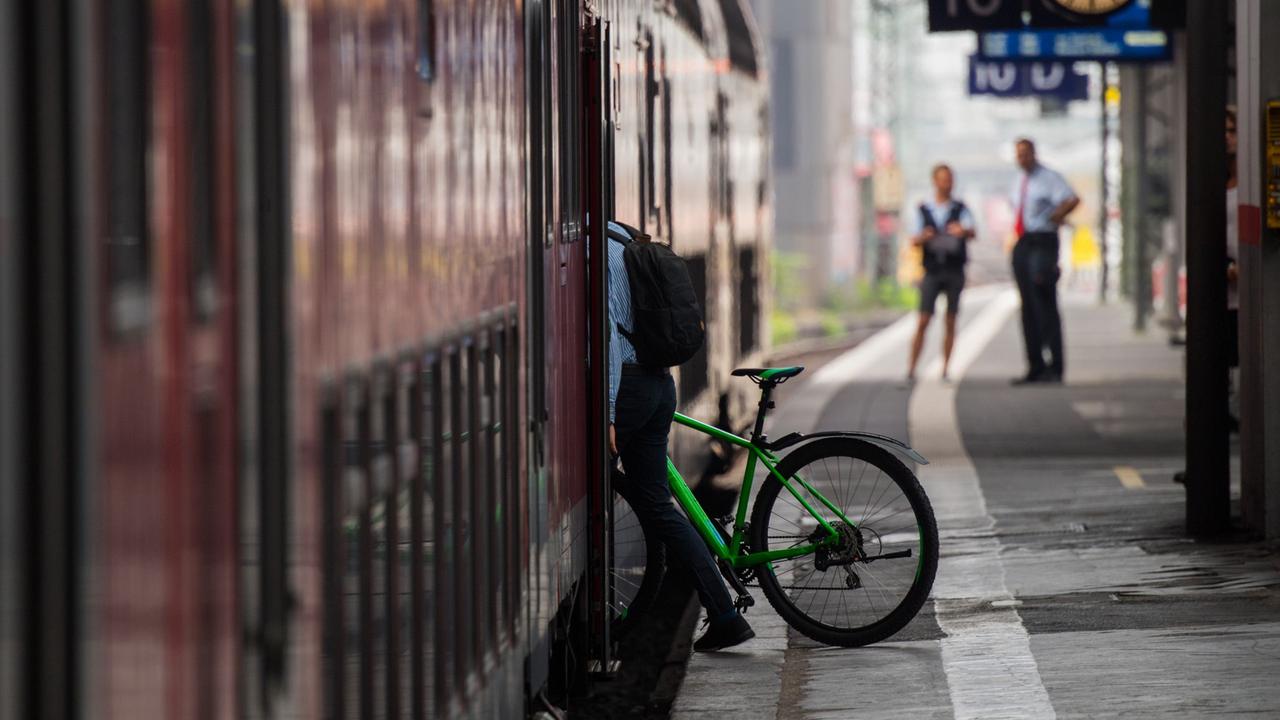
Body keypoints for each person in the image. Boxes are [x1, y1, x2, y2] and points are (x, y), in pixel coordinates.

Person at [606, 220, 754, 652]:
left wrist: (610, 412)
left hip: (628, 388)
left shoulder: (592, 251)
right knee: (657, 504)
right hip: (658, 384)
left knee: (597, 494)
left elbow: (610, 338)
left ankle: (597, 603)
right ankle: (725, 614)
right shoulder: (628, 238)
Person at [1009, 138, 1079, 384]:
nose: (1022, 158)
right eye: (1018, 154)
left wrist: (1055, 216)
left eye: (1026, 154)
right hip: (1024, 241)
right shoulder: (1019, 180)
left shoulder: (1049, 177)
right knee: (1027, 306)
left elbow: (1071, 198)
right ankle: (1035, 365)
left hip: (1043, 241)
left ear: (1034, 154)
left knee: (1044, 302)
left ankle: (1055, 367)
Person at [907, 164, 977, 383]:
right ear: (935, 181)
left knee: (951, 319)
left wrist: (962, 231)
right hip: (932, 270)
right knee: (923, 319)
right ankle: (911, 368)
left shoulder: (961, 208)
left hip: (954, 269)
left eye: (950, 179)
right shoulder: (923, 208)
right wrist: (925, 236)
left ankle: (946, 368)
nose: (947, 184)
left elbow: (972, 231)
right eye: (943, 179)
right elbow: (913, 239)